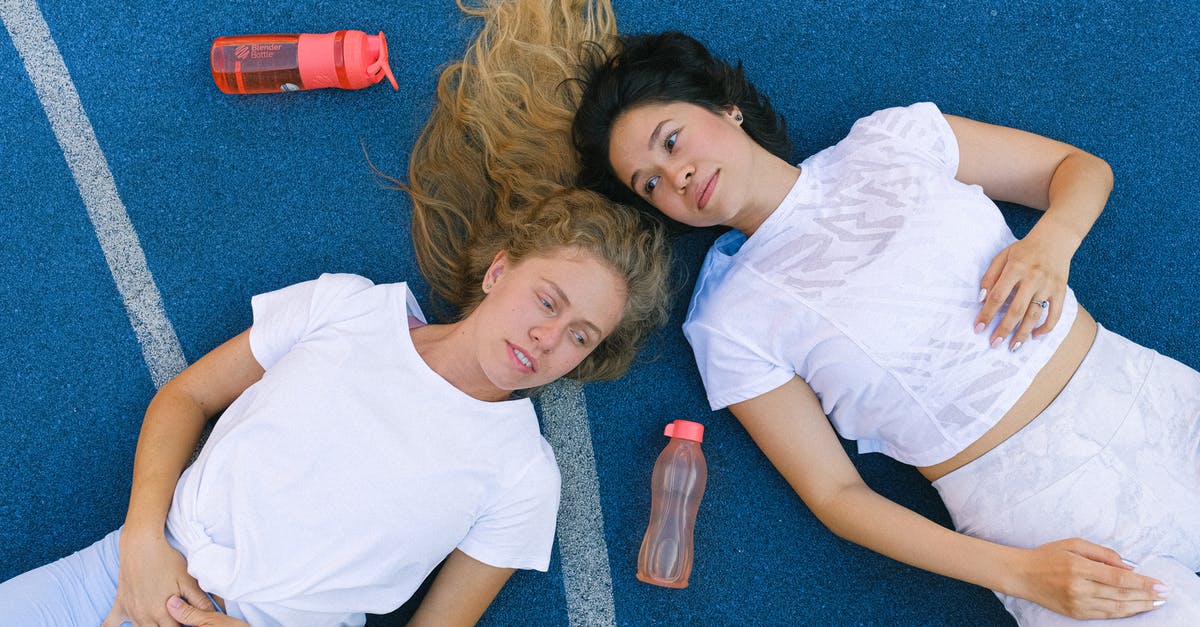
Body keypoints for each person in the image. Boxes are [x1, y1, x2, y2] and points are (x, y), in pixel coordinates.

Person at [0, 1, 671, 624]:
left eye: (580, 335)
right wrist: (143, 543)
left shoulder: (525, 475)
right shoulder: (350, 305)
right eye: (547, 300)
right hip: (124, 571)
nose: (547, 338)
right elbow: (188, 395)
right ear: (500, 270)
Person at [570, 26, 1200, 627]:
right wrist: (1021, 574)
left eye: (672, 140)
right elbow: (837, 495)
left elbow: (1079, 168)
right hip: (1044, 521)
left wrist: (1051, 244)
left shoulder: (892, 139)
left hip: (1157, 404)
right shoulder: (725, 322)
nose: (673, 176)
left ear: (724, 108)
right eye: (649, 182)